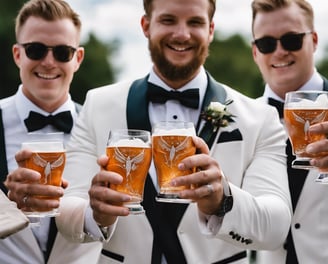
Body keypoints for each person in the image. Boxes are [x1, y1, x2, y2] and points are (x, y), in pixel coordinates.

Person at [56, 0, 291, 263]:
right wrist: (94, 214)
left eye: (195, 22)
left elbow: (276, 226)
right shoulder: (97, 105)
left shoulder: (260, 119)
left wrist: (223, 199)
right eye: (168, 20)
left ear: (211, 29)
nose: (182, 34)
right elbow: (67, 213)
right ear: (146, 26)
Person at [0, 0, 101, 263]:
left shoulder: (101, 126)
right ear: (17, 54)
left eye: (62, 53)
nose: (48, 62)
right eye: (35, 50)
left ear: (77, 58)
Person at [251, 0, 328, 263]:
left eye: (292, 40)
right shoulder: (241, 120)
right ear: (255, 52)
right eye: (267, 44)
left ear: (314, 40)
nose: (280, 52)